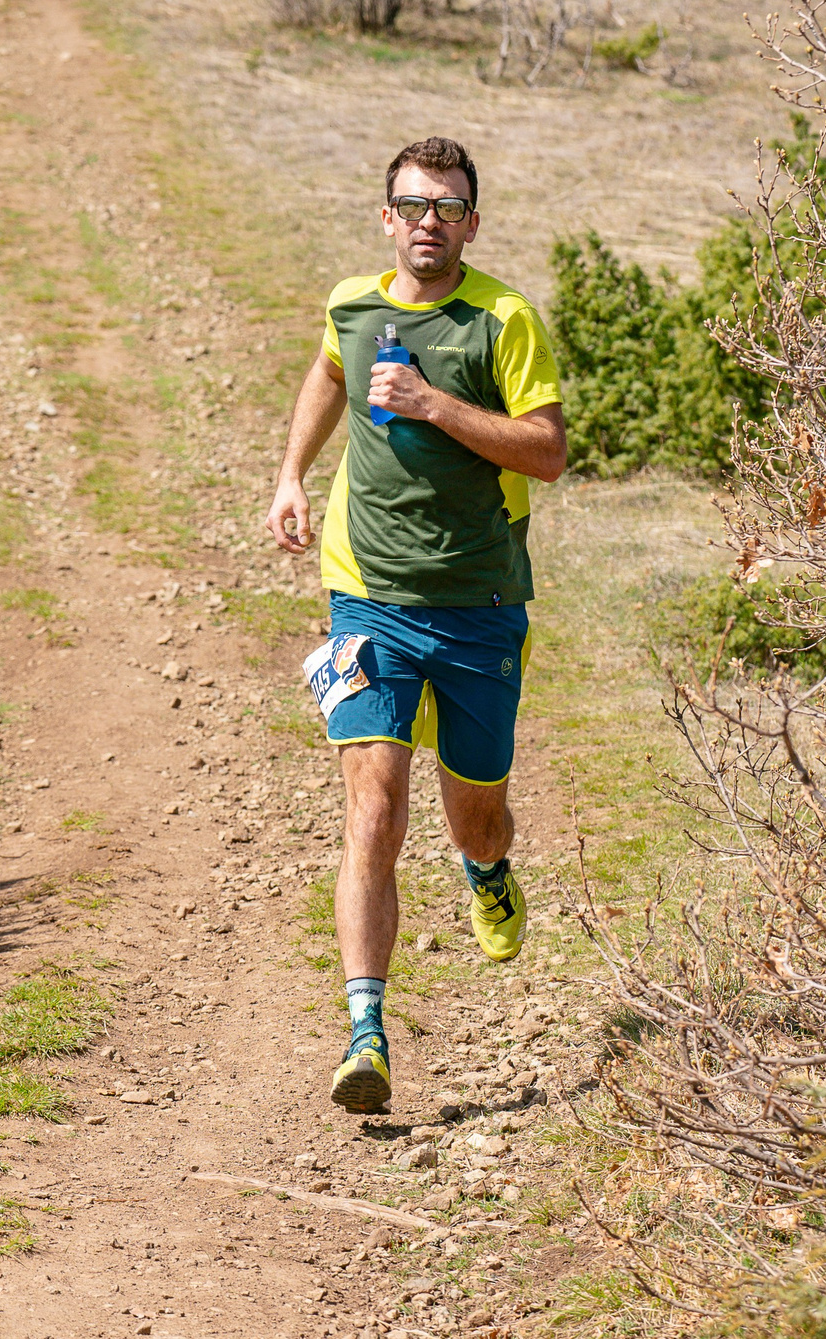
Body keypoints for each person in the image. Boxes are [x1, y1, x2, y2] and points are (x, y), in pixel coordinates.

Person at [265, 136, 567, 1114]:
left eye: (448, 206)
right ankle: (365, 1033)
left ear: (470, 224)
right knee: (373, 812)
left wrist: (436, 405)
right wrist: (289, 476)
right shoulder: (353, 304)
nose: (429, 220)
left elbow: (547, 453)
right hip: (365, 598)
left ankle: (487, 868)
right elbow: (329, 371)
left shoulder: (502, 321)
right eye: (412, 204)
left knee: (470, 808)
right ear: (386, 219)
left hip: (478, 605)